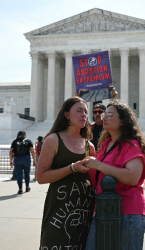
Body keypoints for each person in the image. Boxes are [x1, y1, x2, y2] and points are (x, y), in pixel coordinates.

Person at [85, 100, 145, 250]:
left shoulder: (131, 145)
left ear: (122, 121)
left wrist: (100, 165)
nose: (103, 117)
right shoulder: (106, 145)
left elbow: (133, 177)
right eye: (104, 114)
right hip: (103, 210)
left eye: (110, 115)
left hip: (128, 212)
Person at [37, 96, 96, 249]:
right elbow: (41, 177)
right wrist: (72, 168)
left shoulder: (90, 146)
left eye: (86, 111)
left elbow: (93, 180)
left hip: (85, 209)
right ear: (66, 114)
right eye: (79, 111)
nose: (84, 115)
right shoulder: (53, 140)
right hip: (59, 209)